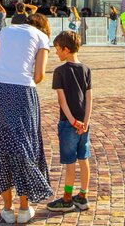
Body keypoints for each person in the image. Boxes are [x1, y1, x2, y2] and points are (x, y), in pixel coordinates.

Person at [0, 13, 53, 224]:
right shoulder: (41, 37)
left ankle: (7, 209)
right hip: (21, 92)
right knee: (24, 146)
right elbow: (40, 75)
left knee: (0, 146)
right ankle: (24, 208)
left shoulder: (5, 31)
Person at [46, 31, 92, 213]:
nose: (56, 52)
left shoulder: (60, 72)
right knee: (84, 158)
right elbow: (89, 99)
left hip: (69, 123)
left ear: (66, 49)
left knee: (70, 162)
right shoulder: (86, 69)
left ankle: (66, 199)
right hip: (84, 122)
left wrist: (73, 122)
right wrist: (85, 122)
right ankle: (83, 196)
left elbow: (61, 101)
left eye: (57, 49)